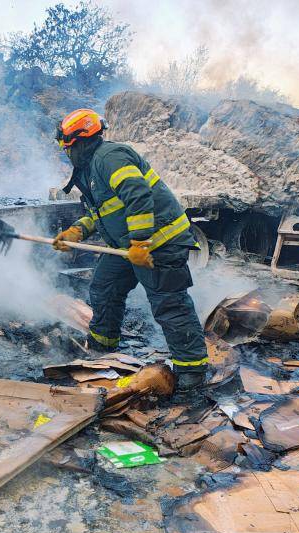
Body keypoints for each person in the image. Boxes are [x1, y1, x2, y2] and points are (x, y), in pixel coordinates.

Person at [53, 108, 208, 392]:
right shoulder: (90, 168)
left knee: (169, 305)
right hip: (128, 246)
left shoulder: (110, 157)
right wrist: (77, 230)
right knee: (105, 287)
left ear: (80, 142)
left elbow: (138, 196)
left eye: (67, 147)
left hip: (159, 243)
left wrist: (140, 243)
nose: (66, 152)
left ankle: (192, 372)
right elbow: (104, 212)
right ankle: (103, 347)